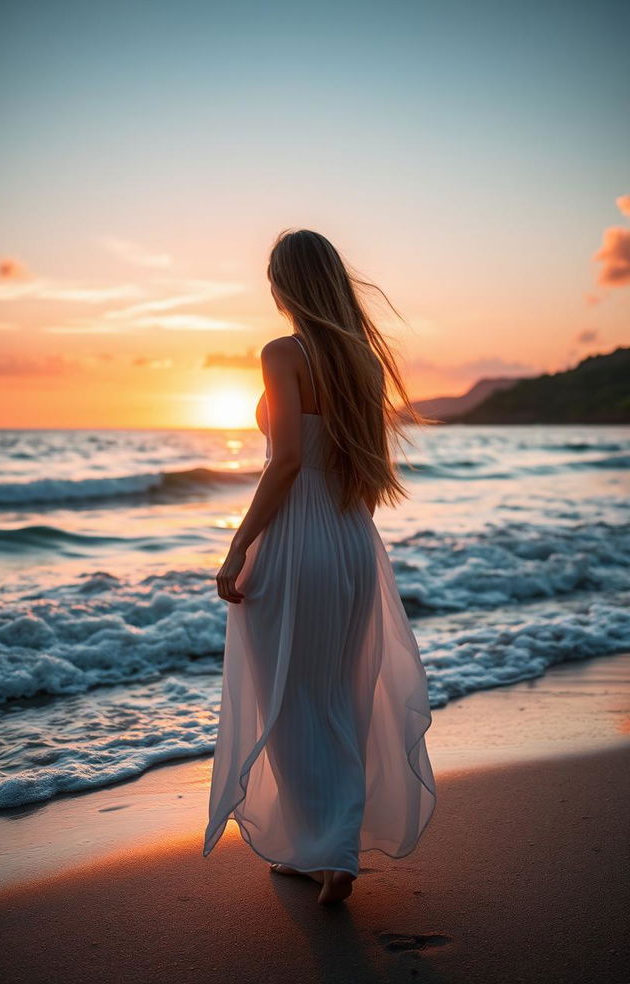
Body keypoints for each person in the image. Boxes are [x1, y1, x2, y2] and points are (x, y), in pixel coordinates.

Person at [203, 228, 437, 905]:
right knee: (339, 692)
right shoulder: (362, 360)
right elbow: (360, 468)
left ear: (285, 285)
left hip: (297, 539)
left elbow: (283, 462)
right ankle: (328, 849)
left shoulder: (283, 352)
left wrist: (239, 544)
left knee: (289, 697)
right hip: (351, 538)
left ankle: (330, 850)